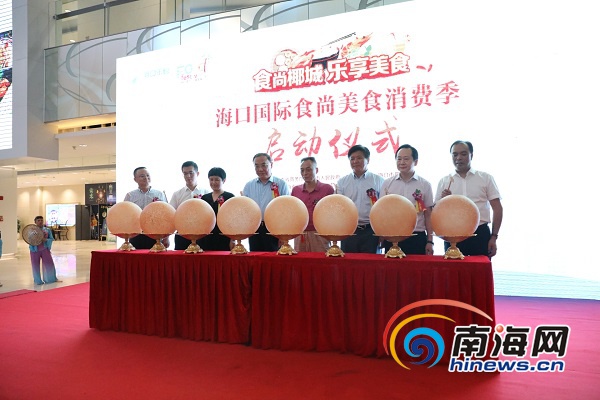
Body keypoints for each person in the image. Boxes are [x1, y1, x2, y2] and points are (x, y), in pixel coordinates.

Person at [435, 140, 503, 257]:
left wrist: (494, 237)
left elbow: (497, 209)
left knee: (479, 268)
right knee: (453, 268)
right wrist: (444, 202)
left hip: (480, 233)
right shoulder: (444, 181)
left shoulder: (485, 178)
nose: (459, 158)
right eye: (455, 154)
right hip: (453, 235)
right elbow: (436, 213)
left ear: (472, 155)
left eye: (463, 154)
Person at [381, 144, 434, 255]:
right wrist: (381, 235)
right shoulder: (387, 184)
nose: (402, 162)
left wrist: (430, 241)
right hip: (392, 235)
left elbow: (428, 214)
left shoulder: (425, 185)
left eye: (406, 159)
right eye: (399, 159)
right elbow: (382, 212)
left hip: (417, 236)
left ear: (416, 162)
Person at [336, 144, 385, 253]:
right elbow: (340, 208)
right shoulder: (342, 182)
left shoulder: (379, 181)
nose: (355, 161)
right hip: (349, 230)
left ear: (368, 160)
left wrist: (382, 233)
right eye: (352, 159)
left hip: (371, 231)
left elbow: (383, 209)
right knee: (348, 262)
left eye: (359, 158)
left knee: (371, 263)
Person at [242, 153, 290, 251]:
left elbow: (286, 210)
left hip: (274, 228)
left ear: (271, 164)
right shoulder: (249, 186)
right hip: (255, 228)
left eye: (264, 165)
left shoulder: (281, 184)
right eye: (256, 166)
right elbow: (245, 209)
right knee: (255, 257)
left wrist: (283, 234)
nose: (260, 169)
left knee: (274, 257)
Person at [291, 157, 334, 253]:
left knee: (321, 261)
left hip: (321, 234)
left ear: (316, 170)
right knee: (300, 261)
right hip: (300, 234)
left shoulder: (327, 189)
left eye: (308, 169)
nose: (305, 173)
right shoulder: (296, 190)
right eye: (302, 170)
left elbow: (333, 213)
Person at [123, 166, 169, 249]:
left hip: (155, 233)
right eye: (142, 176)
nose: (146, 178)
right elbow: (126, 215)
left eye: (147, 175)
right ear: (135, 179)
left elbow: (166, 215)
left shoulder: (159, 194)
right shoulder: (130, 195)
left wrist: (166, 237)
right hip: (136, 233)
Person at [169, 161, 210, 250]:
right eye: (185, 173)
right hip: (182, 234)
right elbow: (171, 214)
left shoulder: (206, 193)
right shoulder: (177, 194)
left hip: (201, 234)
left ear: (197, 173)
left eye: (191, 173)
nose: (188, 176)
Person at [199, 167, 235, 251]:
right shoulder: (204, 198)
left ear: (224, 180)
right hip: (206, 237)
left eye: (217, 180)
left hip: (224, 236)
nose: (213, 182)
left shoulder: (230, 197)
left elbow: (233, 220)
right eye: (211, 179)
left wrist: (233, 239)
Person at [29, 216, 61, 285]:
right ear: (35, 222)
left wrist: (46, 240)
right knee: (35, 265)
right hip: (34, 250)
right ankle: (37, 281)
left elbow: (51, 239)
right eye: (38, 220)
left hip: (45, 249)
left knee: (49, 264)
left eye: (41, 220)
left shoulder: (47, 230)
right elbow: (29, 240)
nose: (40, 222)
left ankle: (51, 279)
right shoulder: (31, 230)